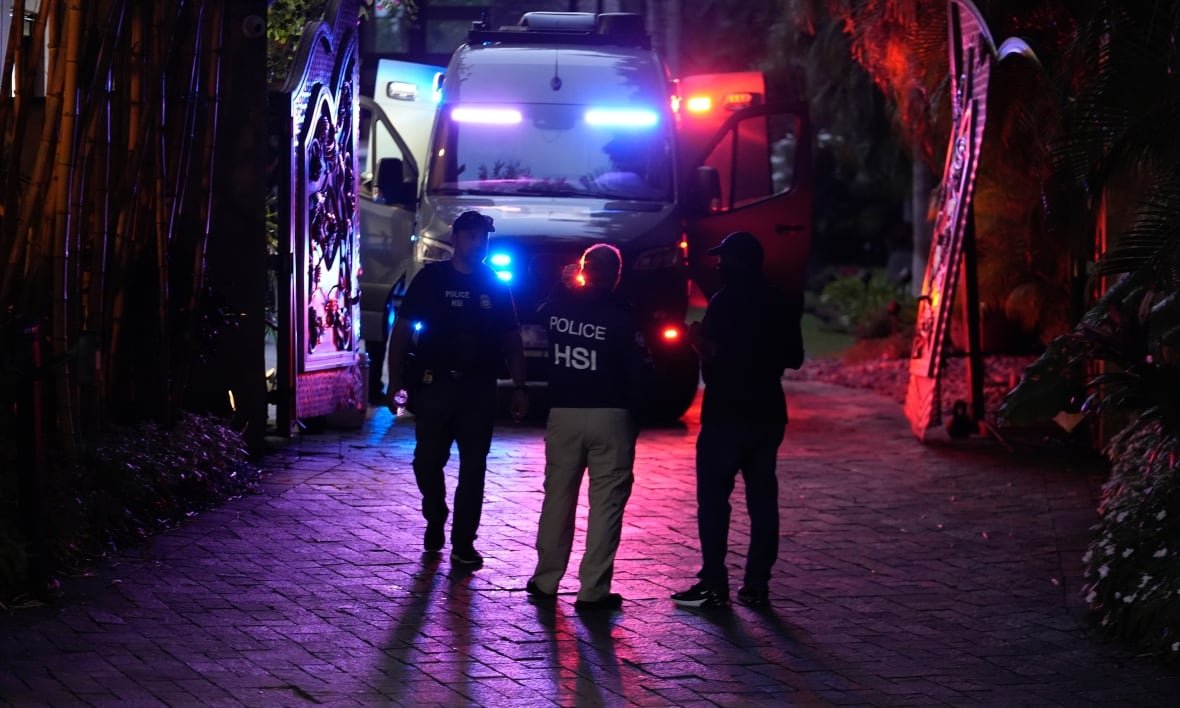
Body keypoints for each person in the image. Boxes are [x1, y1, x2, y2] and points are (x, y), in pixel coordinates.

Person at [385, 210, 529, 567]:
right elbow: (402, 332)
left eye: (484, 238)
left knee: (474, 467)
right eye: (472, 236)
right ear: (456, 238)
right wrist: (396, 381)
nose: (479, 243)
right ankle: (435, 514)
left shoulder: (495, 282)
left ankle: (464, 542)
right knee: (426, 461)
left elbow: (512, 339)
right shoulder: (431, 279)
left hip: (479, 387)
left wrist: (520, 386)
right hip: (435, 384)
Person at [671, 231, 804, 609]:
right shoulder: (782, 300)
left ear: (738, 262)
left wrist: (698, 342)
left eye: (724, 259)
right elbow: (794, 357)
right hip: (767, 413)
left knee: (714, 502)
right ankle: (757, 584)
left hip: (726, 414)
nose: (718, 265)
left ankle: (714, 582)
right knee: (762, 502)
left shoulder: (723, 302)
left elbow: (716, 363)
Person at [525, 244, 653, 611]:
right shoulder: (622, 315)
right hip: (610, 414)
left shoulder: (558, 308)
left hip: (563, 412)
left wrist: (560, 285)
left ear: (581, 269)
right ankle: (593, 590)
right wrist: (638, 415)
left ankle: (546, 579)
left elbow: (541, 311)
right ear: (616, 275)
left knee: (557, 499)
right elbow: (638, 371)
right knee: (606, 505)